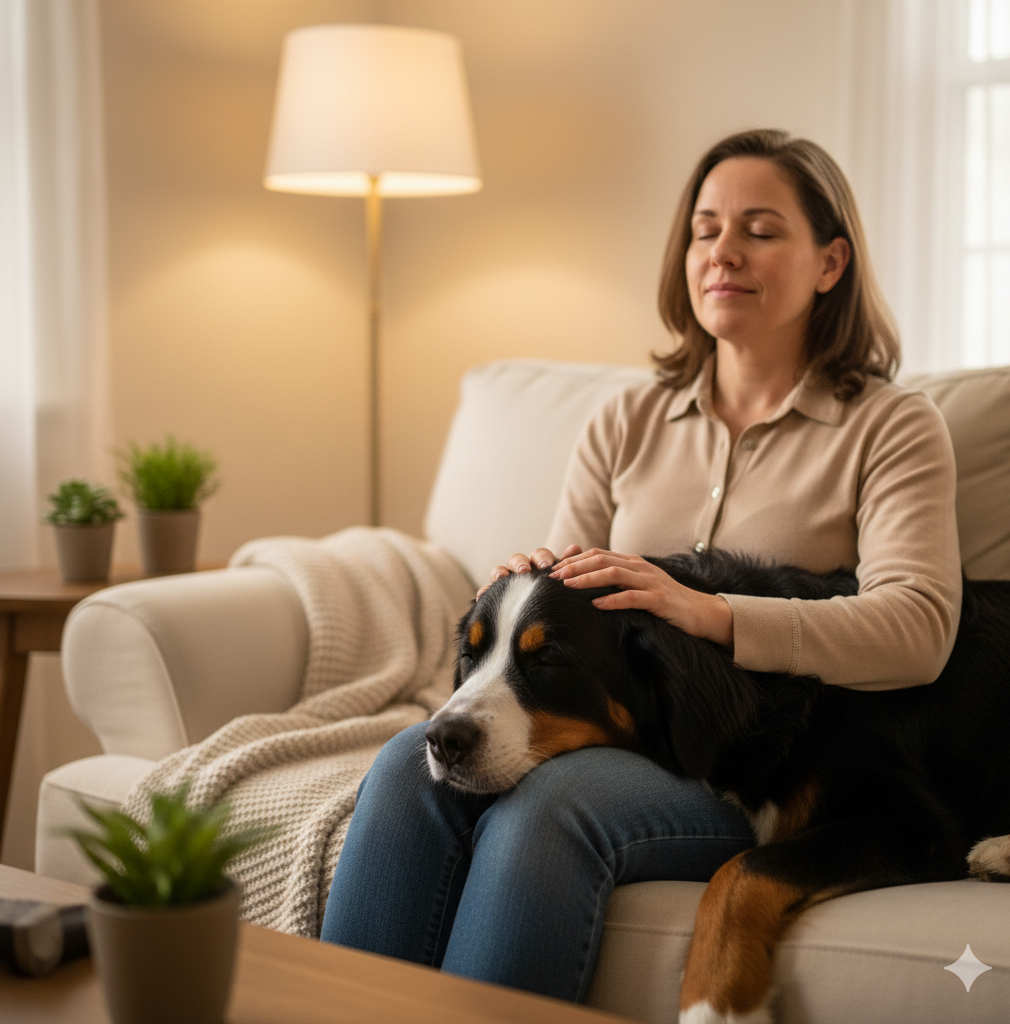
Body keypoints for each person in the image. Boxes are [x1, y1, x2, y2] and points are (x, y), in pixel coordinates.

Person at [318, 128, 962, 1003]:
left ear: (829, 262)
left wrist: (720, 615)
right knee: (403, 765)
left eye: (760, 229)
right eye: (704, 229)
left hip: (751, 763)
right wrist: (528, 577)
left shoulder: (891, 426)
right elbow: (563, 599)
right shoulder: (622, 419)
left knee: (547, 811)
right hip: (616, 728)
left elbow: (919, 629)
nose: (722, 252)